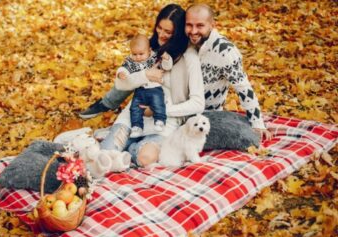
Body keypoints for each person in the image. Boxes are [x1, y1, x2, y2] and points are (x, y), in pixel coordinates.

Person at [79, 4, 272, 140]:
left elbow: (243, 87)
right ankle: (109, 107)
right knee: (141, 70)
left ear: (212, 25)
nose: (194, 31)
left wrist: (257, 123)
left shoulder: (225, 52)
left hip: (201, 112)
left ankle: (122, 128)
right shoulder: (181, 42)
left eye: (200, 26)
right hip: (172, 102)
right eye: (189, 25)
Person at [99, 4, 205, 167]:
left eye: (168, 32)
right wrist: (144, 75)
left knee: (145, 158)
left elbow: (198, 103)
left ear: (177, 33)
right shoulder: (147, 49)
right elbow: (121, 84)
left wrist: (159, 110)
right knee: (104, 159)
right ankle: (113, 145)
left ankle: (124, 150)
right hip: (133, 116)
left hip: (165, 123)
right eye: (159, 28)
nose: (161, 35)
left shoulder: (189, 57)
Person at [116, 34, 173, 138]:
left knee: (158, 104)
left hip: (155, 88)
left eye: (141, 54)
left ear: (149, 50)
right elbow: (124, 68)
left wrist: (166, 58)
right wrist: (121, 73)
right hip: (140, 90)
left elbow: (167, 66)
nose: (137, 57)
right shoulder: (131, 61)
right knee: (135, 108)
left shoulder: (154, 57)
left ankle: (160, 120)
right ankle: (137, 127)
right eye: (134, 54)